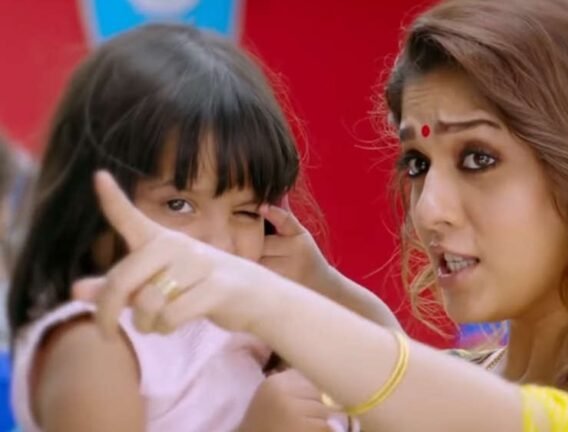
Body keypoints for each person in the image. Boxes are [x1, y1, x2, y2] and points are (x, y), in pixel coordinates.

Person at [75, 0, 568, 430]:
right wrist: (314, 285)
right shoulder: (456, 384)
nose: (428, 210)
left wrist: (260, 297)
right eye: (415, 163)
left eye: (478, 158)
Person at [7, 24, 394, 431]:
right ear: (92, 207)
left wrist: (323, 284)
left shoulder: (255, 323)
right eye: (179, 204)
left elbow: (408, 386)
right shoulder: (96, 341)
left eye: (245, 212)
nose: (219, 244)